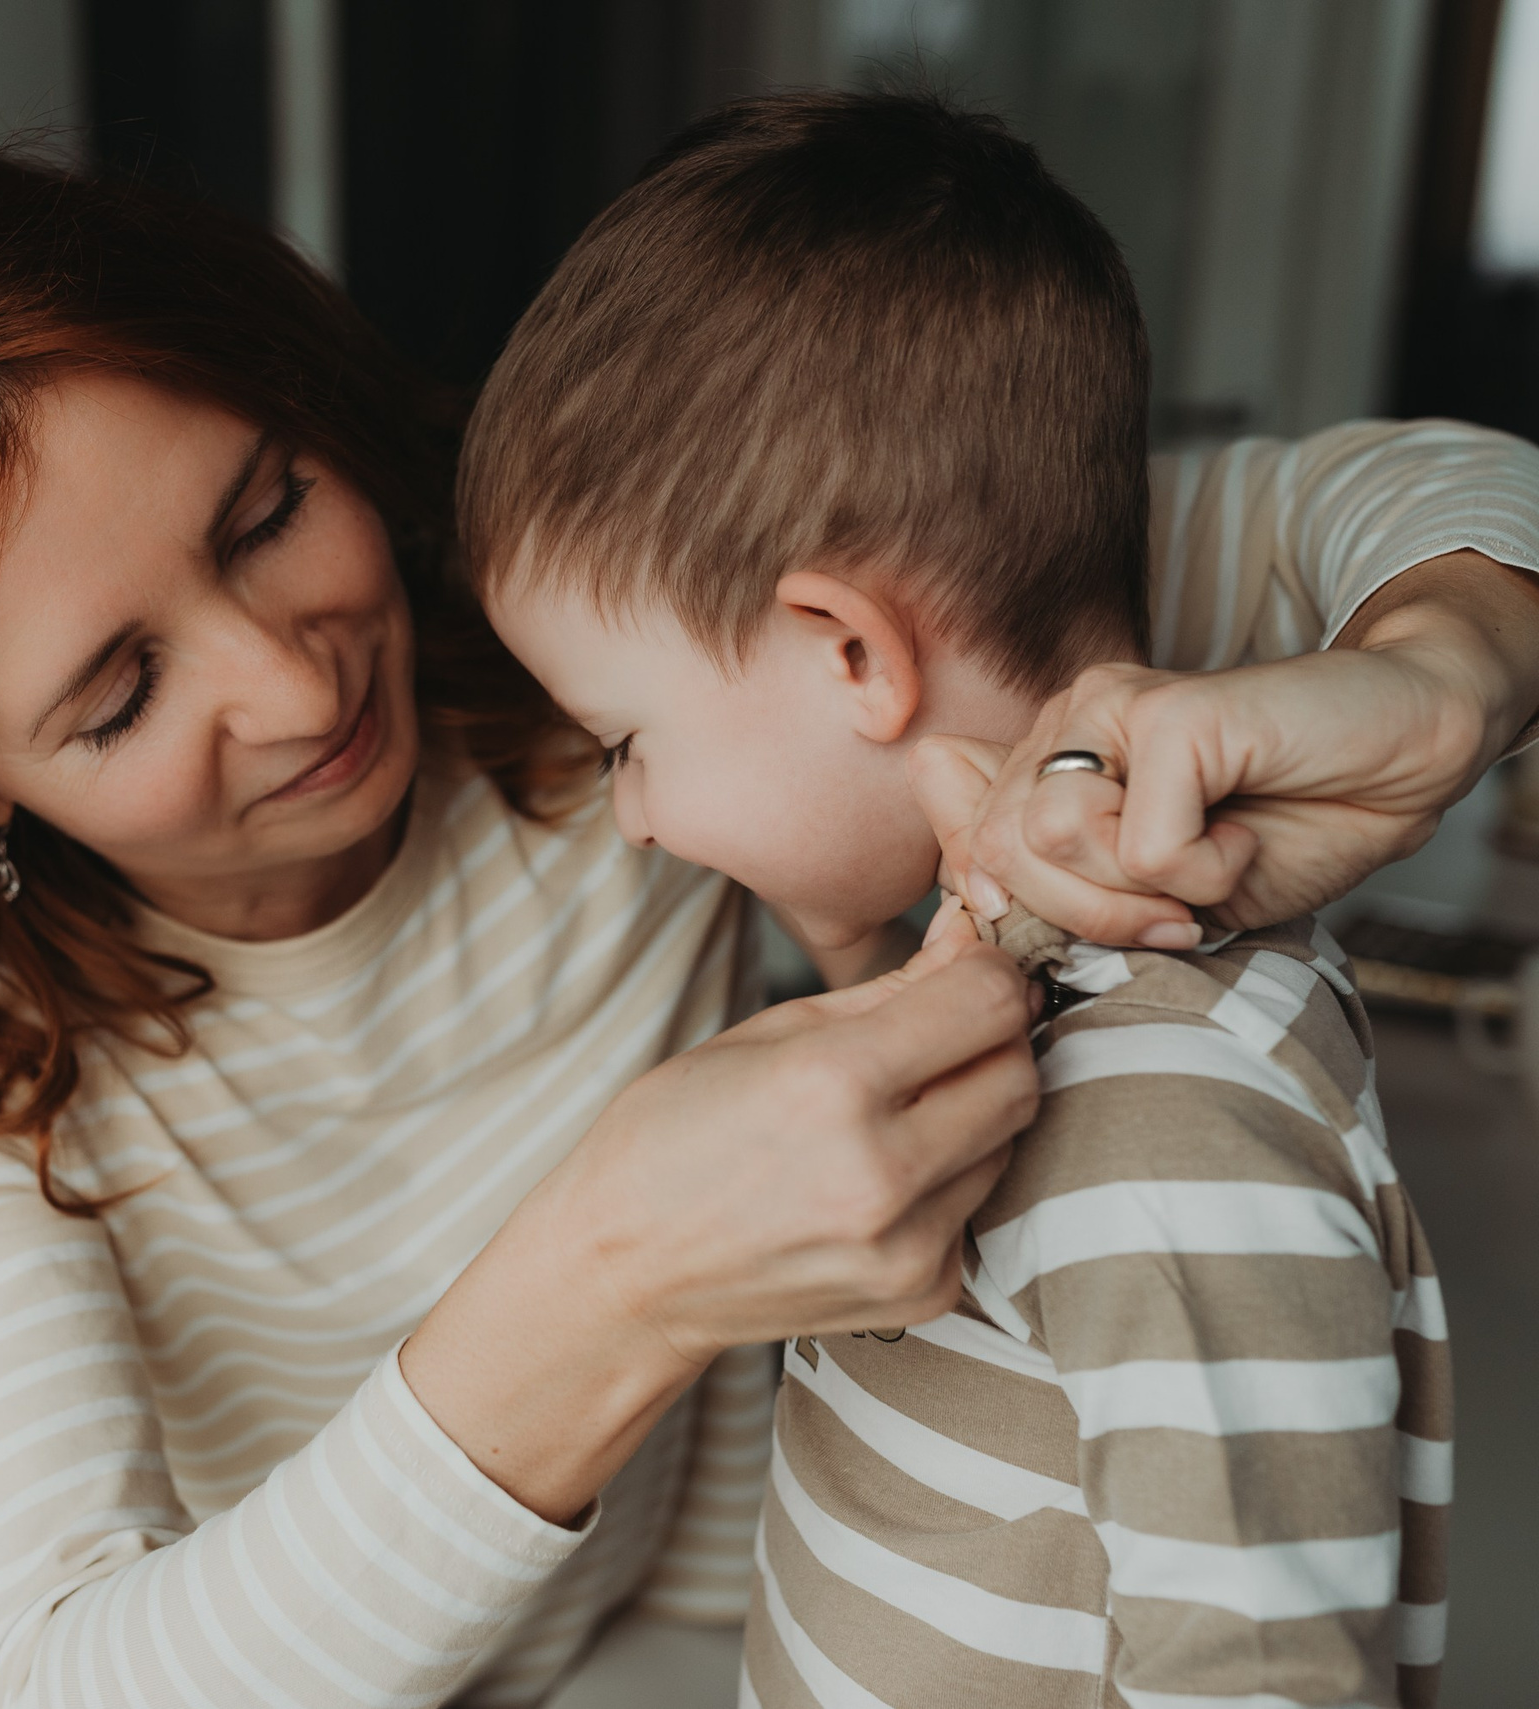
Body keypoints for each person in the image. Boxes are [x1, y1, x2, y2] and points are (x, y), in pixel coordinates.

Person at [0, 140, 1539, 1709]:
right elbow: (50, 1678)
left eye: (264, 510)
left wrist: (1440, 674)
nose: (290, 686)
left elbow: (1323, 503)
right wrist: (609, 1278)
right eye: (113, 693)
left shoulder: (586, 689)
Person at [469, 92, 1457, 1706]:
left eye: (627, 743)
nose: (632, 823)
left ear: (850, 651)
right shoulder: (983, 991)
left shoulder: (1163, 1108)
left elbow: (1264, 1675)